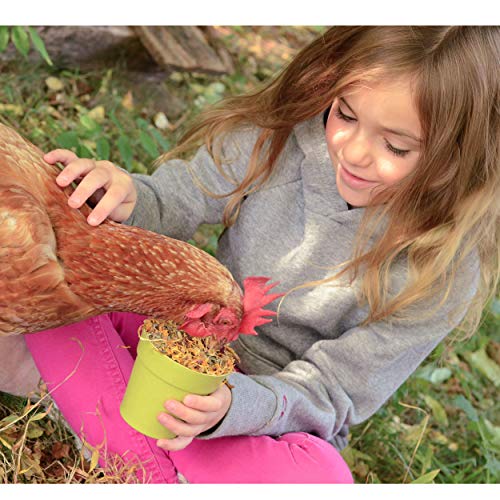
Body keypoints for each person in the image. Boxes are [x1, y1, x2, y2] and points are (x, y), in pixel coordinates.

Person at [3, 26, 498, 484]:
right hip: (177, 344)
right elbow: (180, 196)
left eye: (395, 146)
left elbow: (332, 391)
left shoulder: (443, 272)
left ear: (457, 158)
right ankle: (145, 455)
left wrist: (229, 409)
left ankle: (110, 430)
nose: (353, 151)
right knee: (59, 290)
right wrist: (129, 197)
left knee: (323, 479)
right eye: (345, 114)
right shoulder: (276, 140)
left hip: (268, 415)